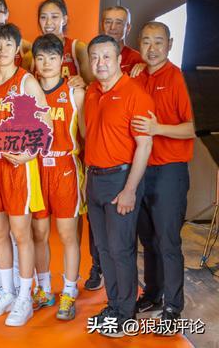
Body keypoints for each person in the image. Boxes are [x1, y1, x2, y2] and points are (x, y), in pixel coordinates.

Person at [0, 24, 51, 327]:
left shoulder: (26, 81)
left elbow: (47, 126)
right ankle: (6, 291)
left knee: (21, 234)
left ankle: (25, 296)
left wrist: (28, 154)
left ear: (18, 48)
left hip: (18, 167)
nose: (3, 50)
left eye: (9, 44)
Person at [84, 34, 154, 338]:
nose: (100, 63)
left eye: (106, 57)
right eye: (94, 57)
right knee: (103, 249)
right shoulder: (91, 91)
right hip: (94, 180)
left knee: (120, 249)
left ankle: (126, 315)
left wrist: (130, 190)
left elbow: (144, 145)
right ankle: (113, 306)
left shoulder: (135, 93)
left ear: (118, 60)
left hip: (120, 180)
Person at [132, 22, 195, 329]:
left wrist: (158, 129)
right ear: (139, 45)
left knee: (168, 241)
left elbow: (193, 127)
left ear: (169, 44)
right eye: (146, 41)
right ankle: (153, 294)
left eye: (158, 42)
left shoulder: (179, 78)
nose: (152, 48)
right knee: (148, 239)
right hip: (140, 169)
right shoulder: (136, 77)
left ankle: (173, 305)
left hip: (169, 171)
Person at [30, 34, 86, 321]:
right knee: (38, 233)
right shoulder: (28, 92)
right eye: (41, 58)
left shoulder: (75, 92)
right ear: (34, 62)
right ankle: (43, 289)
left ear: (62, 61)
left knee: (67, 234)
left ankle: (68, 291)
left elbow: (87, 135)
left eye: (52, 57)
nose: (46, 63)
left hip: (65, 167)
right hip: (36, 166)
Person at [36, 0, 93, 84]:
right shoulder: (31, 56)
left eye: (54, 17)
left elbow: (92, 85)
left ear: (64, 20)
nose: (48, 22)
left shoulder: (77, 49)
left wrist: (83, 85)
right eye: (43, 17)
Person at [101, 6, 143, 75]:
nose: (112, 27)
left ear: (128, 28)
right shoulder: (94, 57)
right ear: (102, 26)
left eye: (119, 23)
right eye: (108, 22)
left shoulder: (138, 60)